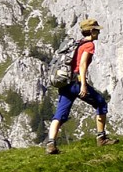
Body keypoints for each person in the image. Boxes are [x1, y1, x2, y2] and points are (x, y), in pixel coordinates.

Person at [47, 18, 114, 152]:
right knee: (101, 103)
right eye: (96, 30)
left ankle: (50, 144)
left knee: (60, 114)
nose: (98, 33)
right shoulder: (89, 45)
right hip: (76, 83)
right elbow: (82, 65)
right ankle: (101, 139)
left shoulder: (76, 44)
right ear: (91, 31)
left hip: (65, 83)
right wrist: (83, 84)